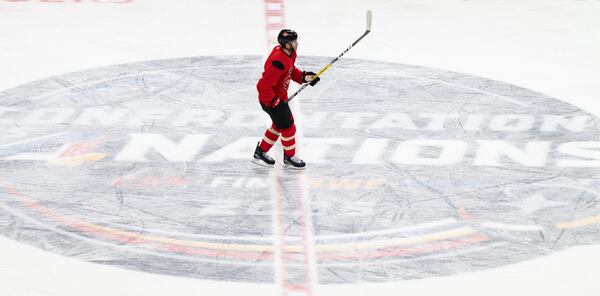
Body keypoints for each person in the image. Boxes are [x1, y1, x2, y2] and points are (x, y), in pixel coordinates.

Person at [253, 29, 320, 169]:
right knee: (289, 127)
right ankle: (289, 157)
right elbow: (263, 85)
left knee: (279, 125)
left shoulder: (289, 54)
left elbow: (289, 70)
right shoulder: (278, 61)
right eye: (294, 41)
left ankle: (261, 151)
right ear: (287, 44)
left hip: (278, 98)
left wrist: (304, 76)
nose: (297, 43)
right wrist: (274, 102)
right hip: (271, 100)